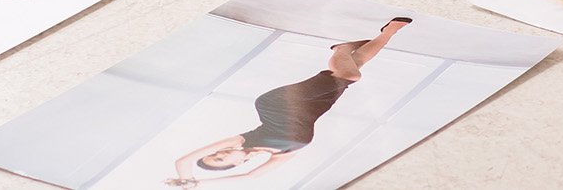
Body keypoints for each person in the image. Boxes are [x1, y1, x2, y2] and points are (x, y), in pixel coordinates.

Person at [167, 17, 411, 184]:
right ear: (235, 164)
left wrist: (187, 180)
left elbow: (183, 160)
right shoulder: (283, 154)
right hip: (316, 107)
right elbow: (250, 177)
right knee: (353, 69)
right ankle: (388, 32)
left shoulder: (241, 140)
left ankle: (340, 49)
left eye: (215, 154)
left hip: (277, 104)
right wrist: (203, 183)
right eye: (221, 159)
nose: (221, 152)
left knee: (349, 74)